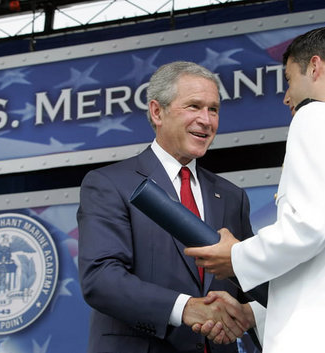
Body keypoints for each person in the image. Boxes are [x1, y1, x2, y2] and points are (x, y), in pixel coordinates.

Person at [185, 27, 325, 353]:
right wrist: (254, 313)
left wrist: (236, 256)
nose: (287, 96)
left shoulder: (315, 116)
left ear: (315, 67)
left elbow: (312, 226)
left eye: (289, 80)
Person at [77, 61, 256, 353]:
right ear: (157, 112)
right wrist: (185, 308)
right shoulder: (109, 184)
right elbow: (101, 278)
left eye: (213, 109)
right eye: (194, 106)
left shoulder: (232, 196)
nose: (206, 120)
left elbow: (249, 280)